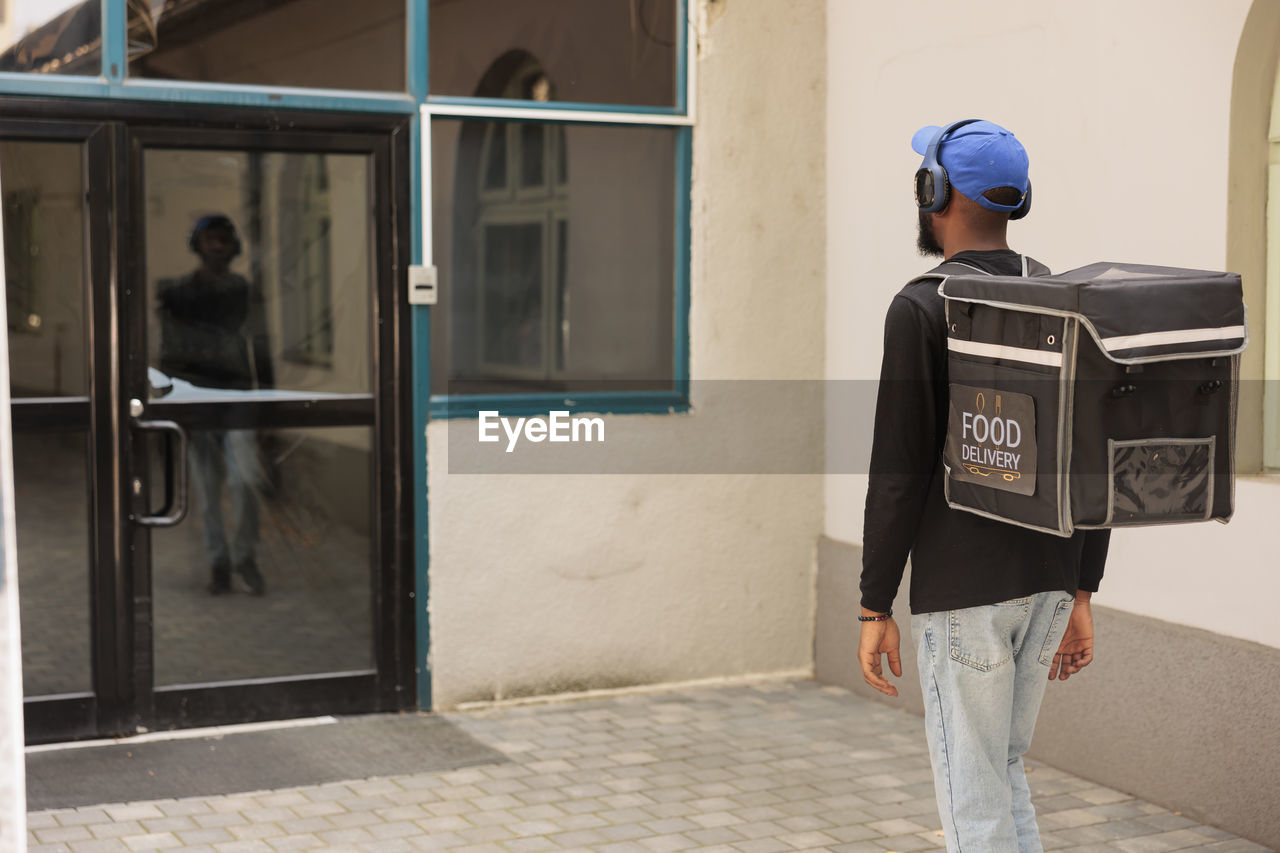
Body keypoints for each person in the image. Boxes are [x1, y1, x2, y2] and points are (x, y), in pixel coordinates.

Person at [858, 119, 1110, 852]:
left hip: (966, 595)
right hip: (1051, 582)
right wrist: (1083, 588)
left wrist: (875, 602)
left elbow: (897, 472)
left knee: (973, 803)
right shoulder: (1062, 296)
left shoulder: (918, 307)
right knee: (1001, 775)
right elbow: (1095, 453)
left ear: (932, 193)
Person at [157, 214, 273, 596]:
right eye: (211, 240)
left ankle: (245, 556)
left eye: (224, 240)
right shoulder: (179, 294)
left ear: (233, 246)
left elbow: (261, 344)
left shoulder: (243, 290)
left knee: (246, 481)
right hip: (196, 399)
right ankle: (218, 561)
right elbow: (169, 350)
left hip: (238, 395)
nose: (218, 247)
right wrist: (172, 403)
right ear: (199, 245)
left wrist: (268, 400)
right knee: (206, 489)